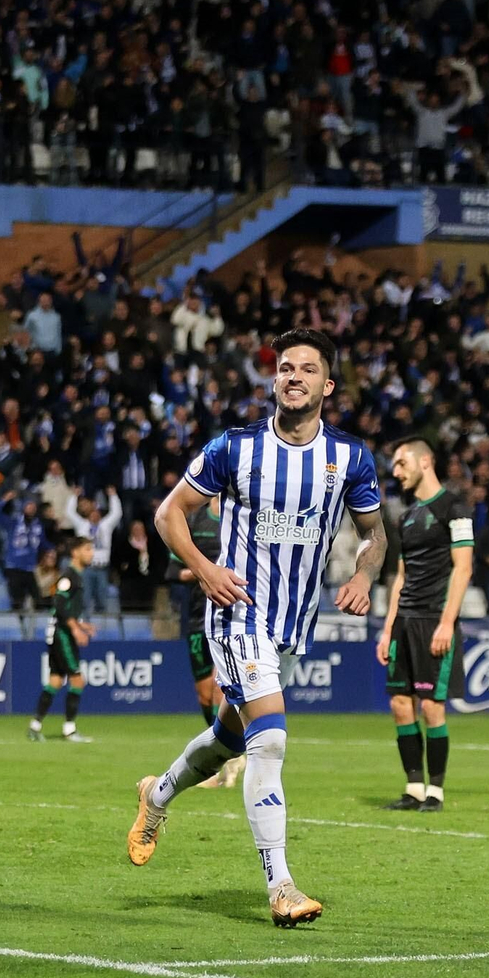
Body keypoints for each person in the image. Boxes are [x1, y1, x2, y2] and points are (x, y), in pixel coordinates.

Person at [127, 328, 387, 928]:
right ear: (275, 380)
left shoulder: (349, 457)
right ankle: (282, 886)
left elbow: (374, 534)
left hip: (294, 624)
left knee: (226, 737)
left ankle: (157, 794)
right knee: (268, 740)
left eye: (307, 369)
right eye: (284, 367)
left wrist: (365, 575)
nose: (292, 376)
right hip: (237, 612)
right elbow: (170, 514)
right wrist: (204, 567)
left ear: (327, 384)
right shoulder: (235, 448)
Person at [377, 437, 474, 811]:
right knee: (401, 704)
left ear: (425, 461)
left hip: (435, 619)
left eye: (402, 464)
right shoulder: (407, 515)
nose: (397, 472)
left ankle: (435, 791)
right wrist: (387, 628)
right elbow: (400, 576)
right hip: (404, 621)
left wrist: (447, 624)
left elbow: (463, 568)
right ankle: (413, 787)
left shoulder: (454, 508)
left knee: (432, 706)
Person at [166, 492, 243, 789]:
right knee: (203, 694)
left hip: (230, 614)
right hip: (198, 617)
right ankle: (221, 754)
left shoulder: (240, 518)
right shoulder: (195, 519)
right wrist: (202, 571)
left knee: (217, 686)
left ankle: (228, 760)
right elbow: (173, 570)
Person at [29, 536, 94, 743]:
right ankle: (69, 729)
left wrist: (81, 624)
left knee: (55, 681)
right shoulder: (69, 576)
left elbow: (67, 608)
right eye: (87, 549)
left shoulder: (77, 576)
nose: (91, 553)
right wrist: (75, 629)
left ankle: (35, 726)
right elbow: (58, 603)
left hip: (61, 631)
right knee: (77, 680)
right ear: (75, 552)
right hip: (62, 634)